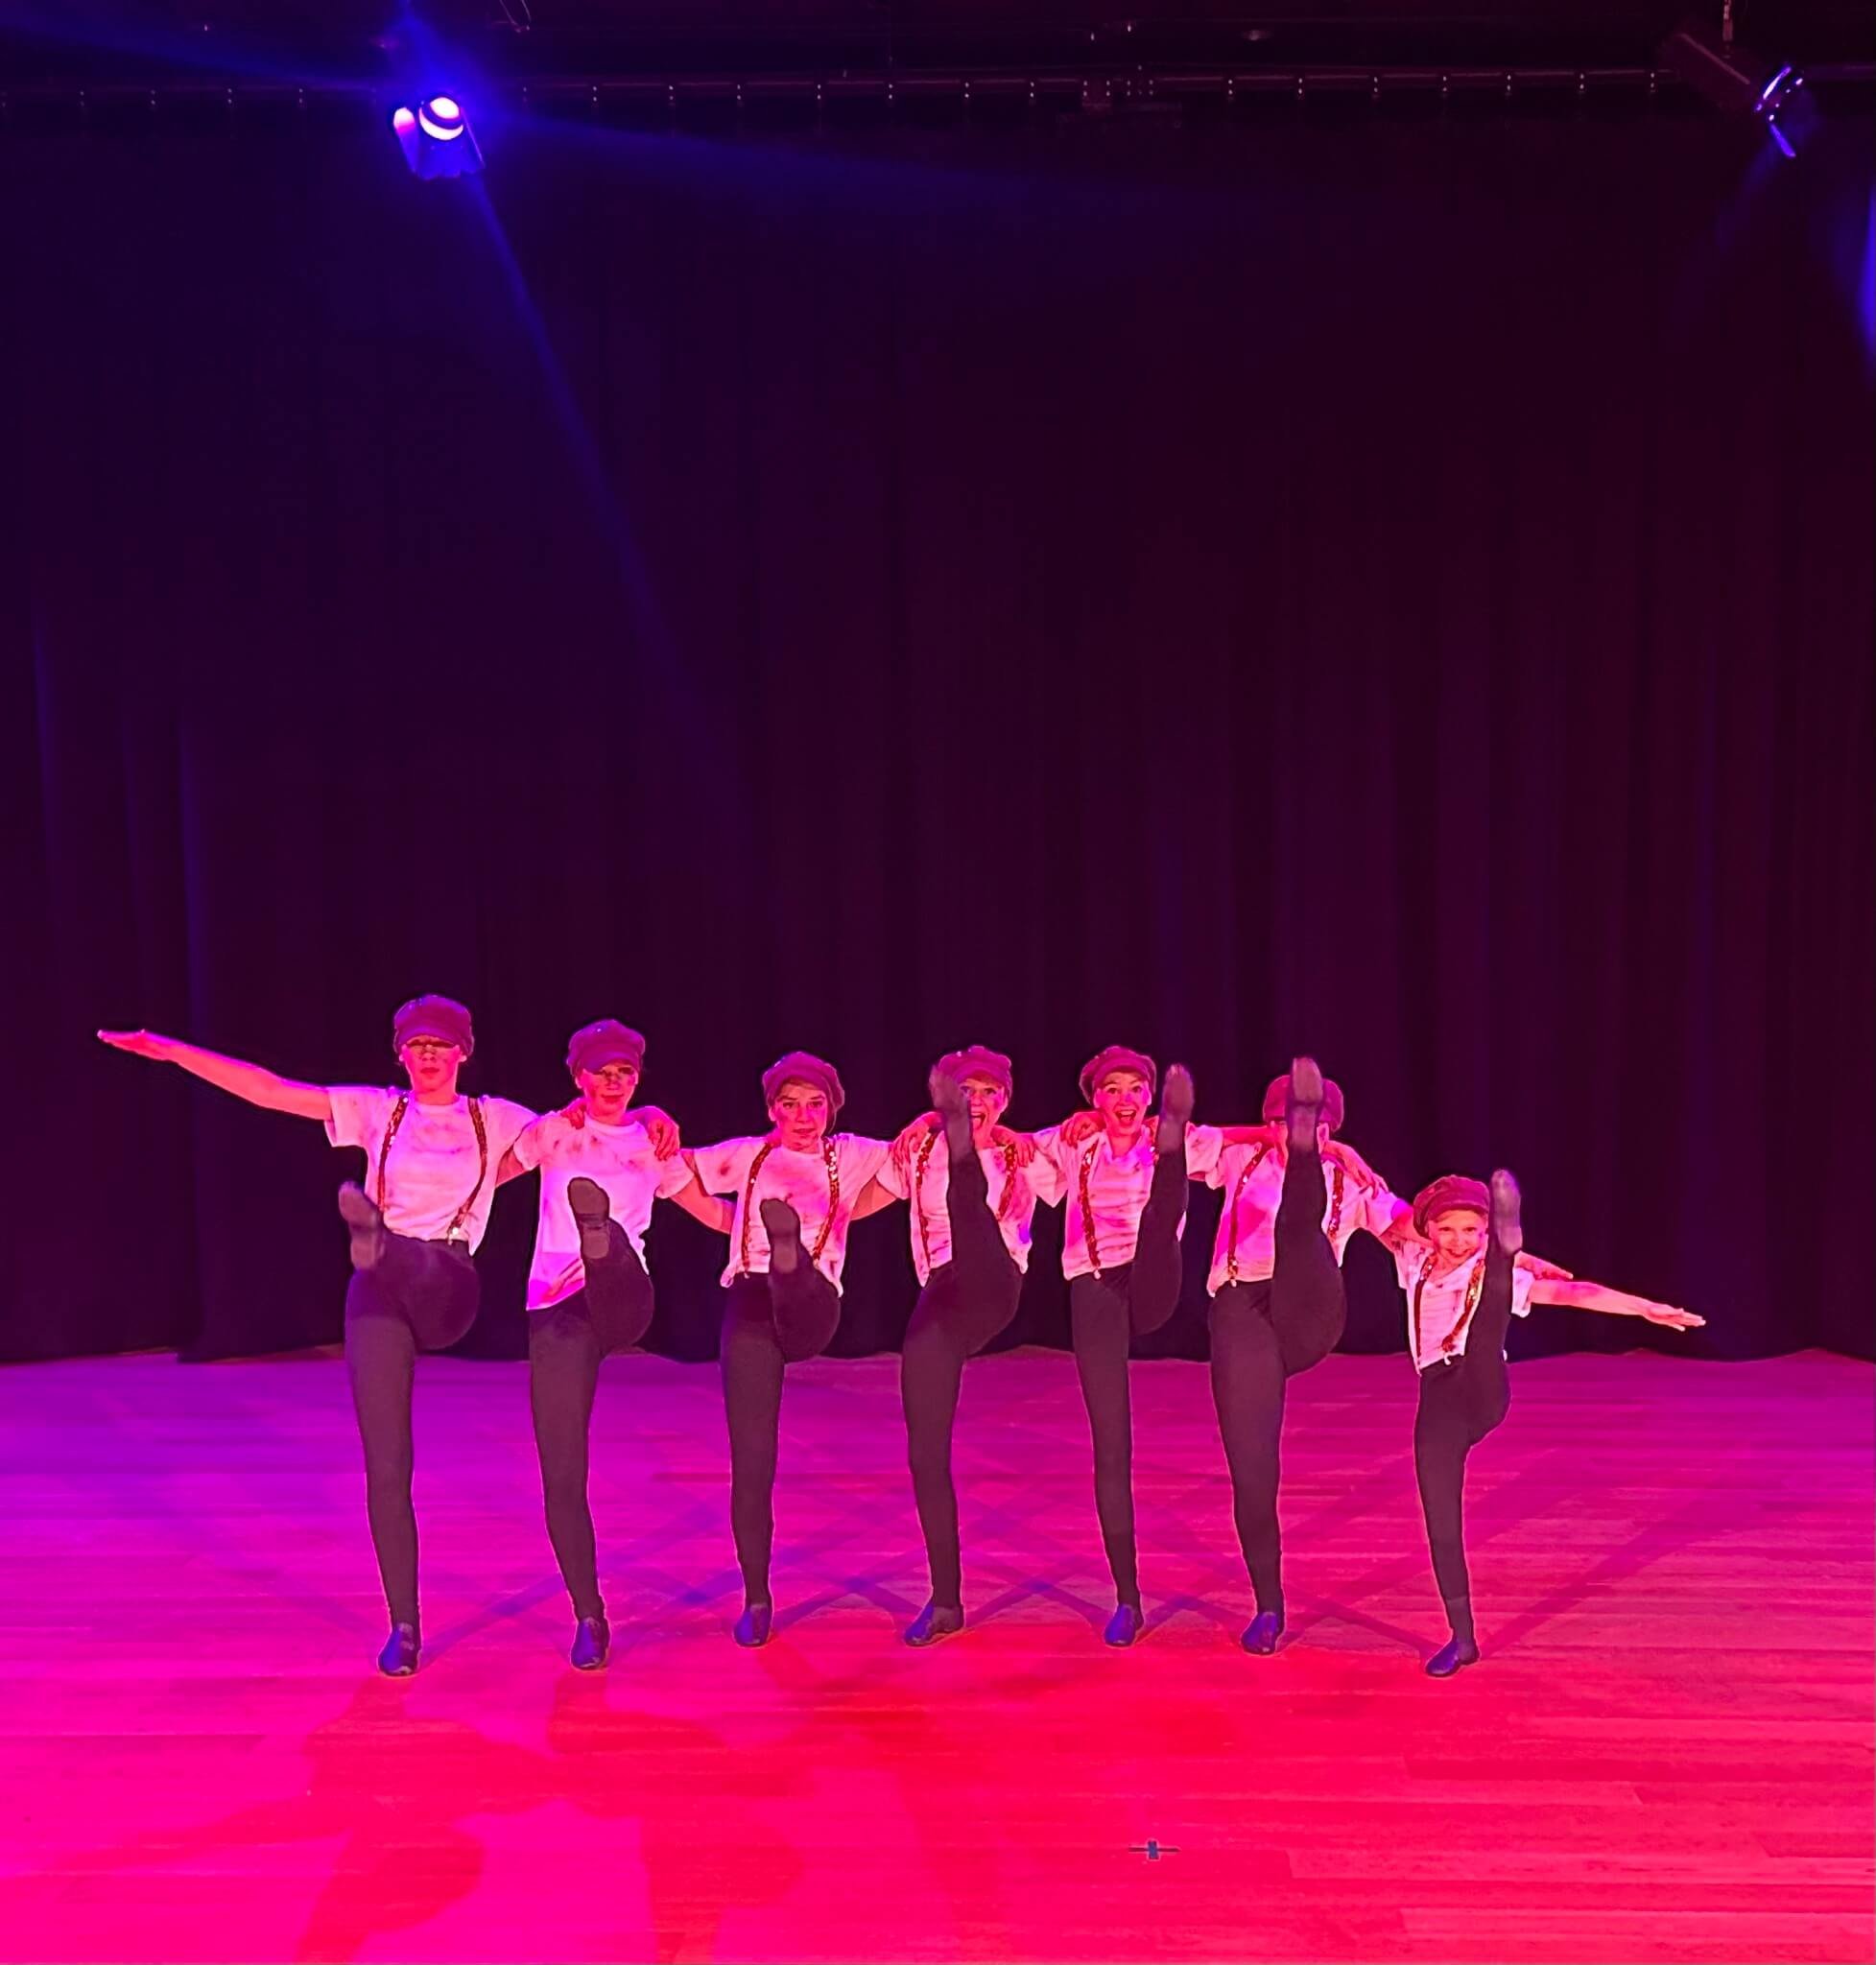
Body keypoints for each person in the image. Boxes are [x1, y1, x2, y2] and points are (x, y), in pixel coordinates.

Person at [97, 998, 537, 1675]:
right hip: (377, 1291)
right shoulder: (379, 1110)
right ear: (399, 1054)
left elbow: (579, 1134)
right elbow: (271, 1091)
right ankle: (405, 1625)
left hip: (448, 1280)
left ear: (463, 1052)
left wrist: (654, 1121)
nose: (426, 1056)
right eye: (414, 1045)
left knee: (412, 1258)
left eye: (439, 1045)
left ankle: (377, 1242)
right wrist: (176, 1051)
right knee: (387, 1463)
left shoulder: (496, 1118)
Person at [1398, 1169, 1703, 1676]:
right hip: (1438, 1400)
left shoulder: (1500, 1276)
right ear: (1428, 1229)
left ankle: (1506, 1249)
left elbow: (1572, 1293)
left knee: (1489, 1313)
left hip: (1483, 1387)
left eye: (1473, 1231)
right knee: (1439, 1517)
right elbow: (1379, 1214)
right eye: (1448, 1229)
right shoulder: (1412, 1260)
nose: (1457, 1240)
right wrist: (1335, 1146)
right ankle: (1462, 1636)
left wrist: (1644, 1309)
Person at [504, 1019, 728, 1669]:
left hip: (621, 1301)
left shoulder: (654, 1144)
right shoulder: (551, 1132)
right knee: (561, 1469)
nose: (612, 1082)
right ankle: (588, 1614)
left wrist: (788, 1241)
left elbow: (712, 1213)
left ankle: (604, 1241)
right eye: (600, 1071)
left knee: (618, 1265)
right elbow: (484, 1180)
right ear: (578, 1077)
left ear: (636, 1080)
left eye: (624, 1072)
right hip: (555, 1309)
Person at [1199, 1057, 1411, 1653]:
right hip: (1244, 1310)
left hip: (1310, 1305)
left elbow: (1407, 1226)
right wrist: (1256, 1135)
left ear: (1329, 1131)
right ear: (1268, 1125)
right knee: (1252, 1467)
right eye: (1287, 1123)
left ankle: (1307, 1173)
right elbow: (1172, 1140)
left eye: (1315, 1126)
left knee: (1300, 1228)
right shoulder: (1237, 1159)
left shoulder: (1350, 1179)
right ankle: (1269, 1605)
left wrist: (1500, 1255)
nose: (1303, 1134)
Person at [683, 1053, 892, 1647]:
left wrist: (943, 1125)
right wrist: (728, 1218)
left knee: (799, 1278)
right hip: (750, 1298)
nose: (803, 1116)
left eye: (815, 1104)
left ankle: (790, 1254)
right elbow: (671, 1172)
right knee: (752, 1460)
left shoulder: (848, 1154)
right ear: (772, 1109)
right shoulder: (747, 1155)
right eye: (790, 1105)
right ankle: (756, 1596)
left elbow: (914, 1154)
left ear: (832, 1108)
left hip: (812, 1300)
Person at [1027, 1048, 1224, 1646]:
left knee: (1162, 1220)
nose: (1123, 1100)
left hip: (1152, 1273)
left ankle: (1171, 1143)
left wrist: (1331, 1144)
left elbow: (1254, 1140)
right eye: (1111, 1090)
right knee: (1111, 1443)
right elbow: (1001, 1141)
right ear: (1095, 1100)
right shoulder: (1070, 1143)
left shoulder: (1185, 1140)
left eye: (1134, 1089)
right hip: (1094, 1286)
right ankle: (1128, 1598)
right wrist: (928, 1121)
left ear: (1147, 1099)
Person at [861, 1046, 1041, 1645]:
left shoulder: (1026, 1152)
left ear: (1005, 1102)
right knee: (924, 1450)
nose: (980, 1102)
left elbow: (1129, 1134)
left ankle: (969, 1174)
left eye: (990, 1094)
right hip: (942, 1292)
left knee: (973, 1216)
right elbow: (860, 1201)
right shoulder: (917, 1153)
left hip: (994, 1282)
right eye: (966, 1095)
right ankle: (945, 1600)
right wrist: (808, 1234)